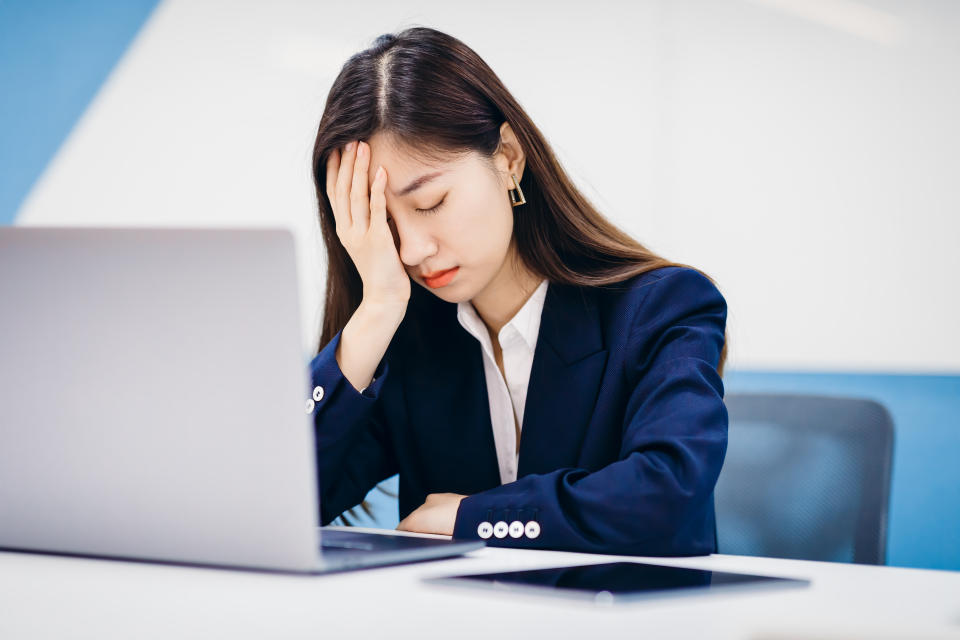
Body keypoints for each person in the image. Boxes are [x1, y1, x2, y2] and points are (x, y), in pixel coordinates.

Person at [307, 26, 729, 556]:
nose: (411, 250)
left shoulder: (661, 309)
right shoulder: (409, 343)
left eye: (430, 203)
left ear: (508, 157)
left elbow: (667, 496)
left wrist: (474, 517)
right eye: (381, 226)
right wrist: (378, 308)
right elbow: (278, 503)